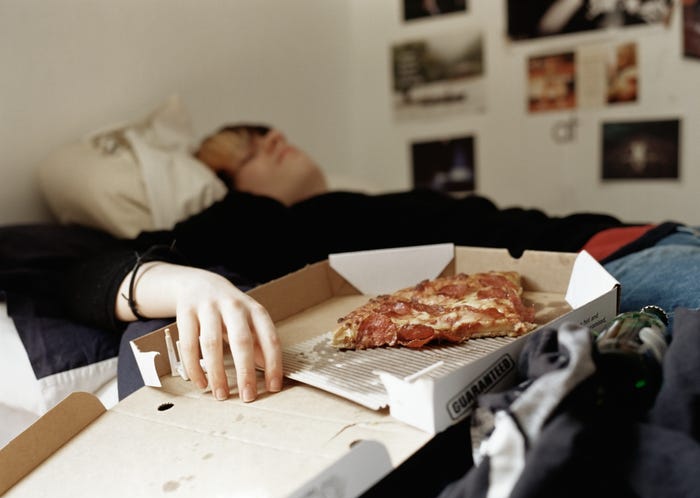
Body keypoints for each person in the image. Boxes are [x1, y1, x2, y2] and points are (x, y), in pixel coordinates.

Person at [62, 123, 692, 408]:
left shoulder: (346, 199)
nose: (275, 137)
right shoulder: (246, 217)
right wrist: (181, 281)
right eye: (249, 148)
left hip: (619, 237)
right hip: (601, 263)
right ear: (226, 183)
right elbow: (73, 274)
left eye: (268, 130)